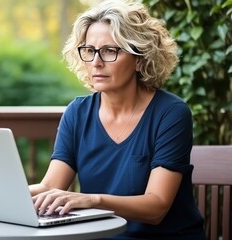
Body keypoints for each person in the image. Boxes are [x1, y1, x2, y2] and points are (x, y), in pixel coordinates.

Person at [29, 0, 206, 239]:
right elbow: (50, 186)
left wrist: (91, 200)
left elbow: (157, 207)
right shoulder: (77, 113)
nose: (96, 62)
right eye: (90, 50)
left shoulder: (171, 113)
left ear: (139, 58)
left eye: (110, 50)